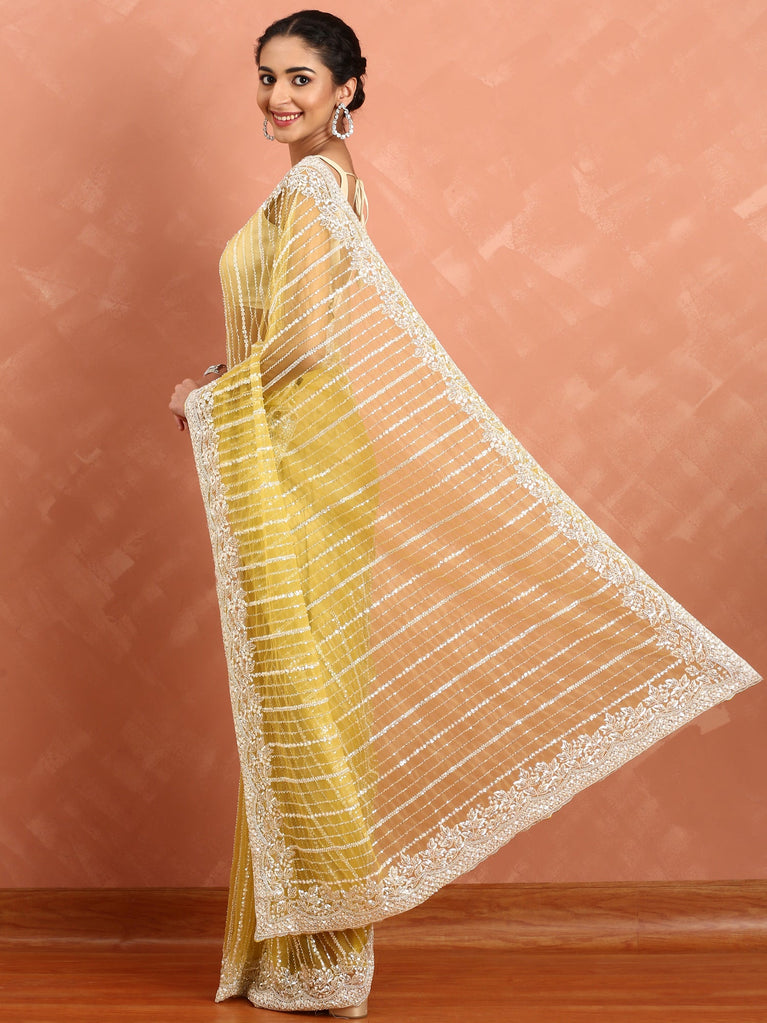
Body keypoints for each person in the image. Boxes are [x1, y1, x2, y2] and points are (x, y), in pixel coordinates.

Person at [169, 10, 762, 1018]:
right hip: (310, 443)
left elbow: (301, 343)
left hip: (307, 452)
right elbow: (296, 334)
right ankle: (307, 954)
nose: (277, 96)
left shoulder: (311, 189)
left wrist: (205, 398)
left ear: (346, 89)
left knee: (302, 694)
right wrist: (233, 375)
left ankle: (322, 958)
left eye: (301, 78)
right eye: (267, 76)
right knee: (307, 689)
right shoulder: (329, 182)